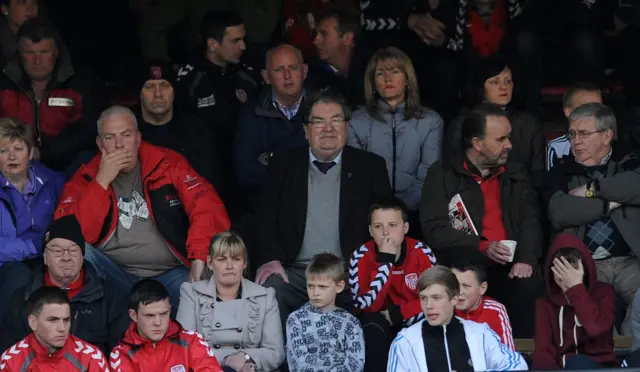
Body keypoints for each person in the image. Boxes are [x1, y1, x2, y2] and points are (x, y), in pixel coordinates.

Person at [54, 106, 230, 314]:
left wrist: (199, 256)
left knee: (209, 299)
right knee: (70, 247)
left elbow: (207, 206)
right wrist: (101, 182)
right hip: (113, 275)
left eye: (126, 135)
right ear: (100, 144)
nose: (119, 145)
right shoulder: (86, 176)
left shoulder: (166, 163)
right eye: (110, 138)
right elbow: (71, 234)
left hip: (169, 274)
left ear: (138, 138)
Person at [253, 90, 392, 328]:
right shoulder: (283, 164)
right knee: (268, 291)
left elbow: (388, 220)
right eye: (319, 121)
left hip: (348, 272)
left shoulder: (370, 166)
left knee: (375, 313)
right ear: (306, 130)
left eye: (336, 120)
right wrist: (271, 259)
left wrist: (377, 263)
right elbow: (264, 216)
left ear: (347, 126)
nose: (328, 128)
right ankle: (281, 363)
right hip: (296, 273)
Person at [420, 103, 543, 338]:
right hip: (463, 265)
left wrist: (526, 259)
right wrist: (483, 247)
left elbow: (531, 220)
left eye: (509, 137)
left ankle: (523, 358)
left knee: (530, 285)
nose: (509, 145)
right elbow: (434, 228)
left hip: (509, 267)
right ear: (477, 144)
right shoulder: (442, 174)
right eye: (501, 139)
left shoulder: (515, 172)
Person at [544, 102, 640, 336]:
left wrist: (592, 189)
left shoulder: (628, 163)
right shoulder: (561, 171)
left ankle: (631, 357)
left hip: (631, 261)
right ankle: (610, 358)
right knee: (587, 306)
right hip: (587, 263)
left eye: (584, 134)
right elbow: (559, 212)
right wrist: (609, 203)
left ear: (607, 136)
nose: (576, 141)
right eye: (572, 134)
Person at [0, 215, 129, 354]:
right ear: (45, 257)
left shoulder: (110, 297)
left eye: (73, 250)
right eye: (57, 251)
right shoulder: (23, 298)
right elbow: (10, 356)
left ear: (82, 256)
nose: (66, 257)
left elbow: (120, 353)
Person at [349, 47, 443, 236]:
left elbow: (428, 174)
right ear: (372, 83)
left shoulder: (430, 120)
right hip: (369, 215)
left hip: (415, 214)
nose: (388, 78)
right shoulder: (355, 120)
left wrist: (399, 211)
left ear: (407, 79)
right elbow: (356, 176)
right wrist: (381, 213)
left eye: (395, 71)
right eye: (380, 73)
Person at [175, 9, 261, 218]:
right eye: (235, 41)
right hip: (203, 177)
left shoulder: (249, 75)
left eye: (244, 39)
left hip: (246, 178)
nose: (243, 46)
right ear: (213, 44)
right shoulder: (188, 80)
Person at [0, 18, 107, 171]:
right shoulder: (3, 84)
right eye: (30, 52)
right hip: (11, 167)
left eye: (44, 52)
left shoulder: (80, 84)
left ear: (56, 52)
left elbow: (90, 131)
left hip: (68, 168)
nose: (37, 60)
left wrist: (44, 153)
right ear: (19, 53)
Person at [349, 196, 437, 372]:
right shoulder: (360, 255)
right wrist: (386, 262)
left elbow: (437, 298)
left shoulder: (422, 252)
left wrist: (399, 313)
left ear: (405, 228)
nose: (385, 232)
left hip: (413, 317)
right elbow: (367, 306)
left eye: (392, 225)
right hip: (378, 321)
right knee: (371, 325)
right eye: (378, 226)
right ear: (370, 230)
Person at [177, 232, 285, 372]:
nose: (229, 266)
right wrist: (228, 360)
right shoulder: (191, 293)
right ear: (209, 263)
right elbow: (183, 347)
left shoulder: (265, 296)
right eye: (221, 259)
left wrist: (245, 357)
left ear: (244, 263)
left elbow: (276, 352)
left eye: (236, 259)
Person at [386, 266, 527, 371]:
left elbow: (516, 365)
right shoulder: (405, 341)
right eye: (423, 298)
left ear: (454, 299)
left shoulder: (481, 334)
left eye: (436, 298)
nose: (428, 305)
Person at [446, 56, 545, 188]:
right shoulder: (462, 124)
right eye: (495, 82)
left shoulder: (529, 123)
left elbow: (538, 173)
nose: (503, 87)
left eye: (508, 81)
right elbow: (452, 172)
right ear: (481, 87)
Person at [0, 117, 63, 321]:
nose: (12, 156)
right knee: (18, 278)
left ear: (31, 152)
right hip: (8, 263)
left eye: (18, 149)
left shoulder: (53, 181)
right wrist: (36, 245)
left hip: (46, 256)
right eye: (3, 151)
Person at [234, 44, 310, 208]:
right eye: (279, 70)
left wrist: (272, 157)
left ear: (305, 71)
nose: (287, 76)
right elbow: (246, 174)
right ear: (266, 77)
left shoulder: (324, 108)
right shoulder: (251, 114)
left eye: (293, 67)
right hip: (269, 208)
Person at [137, 60, 224, 195]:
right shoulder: (127, 134)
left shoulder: (198, 132)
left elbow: (209, 189)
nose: (158, 94)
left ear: (174, 92)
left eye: (164, 85)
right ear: (140, 94)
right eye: (150, 86)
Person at [533, 233, 616, 370]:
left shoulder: (604, 292)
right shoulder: (544, 303)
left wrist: (575, 289)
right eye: (561, 268)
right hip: (561, 368)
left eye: (573, 268)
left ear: (584, 268)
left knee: (578, 363)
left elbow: (597, 329)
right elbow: (544, 351)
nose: (566, 274)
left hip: (599, 366)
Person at [109, 279, 224, 372]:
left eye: (164, 314)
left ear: (169, 310)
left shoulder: (192, 340)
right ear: (134, 315)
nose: (158, 322)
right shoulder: (122, 355)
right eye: (150, 316)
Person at [286, 252, 365, 372]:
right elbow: (299, 363)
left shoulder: (350, 322)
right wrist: (338, 360)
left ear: (339, 287)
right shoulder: (296, 319)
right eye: (311, 286)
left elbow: (355, 363)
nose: (315, 292)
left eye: (322, 287)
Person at [0, 286, 108, 371]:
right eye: (53, 320)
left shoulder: (91, 358)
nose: (62, 328)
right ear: (33, 322)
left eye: (66, 320)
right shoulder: (11, 362)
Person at [139, 0, 282, 63]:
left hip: (253, 62)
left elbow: (261, 32)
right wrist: (161, 68)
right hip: (202, 62)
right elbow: (154, 24)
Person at [307, 6, 366, 108]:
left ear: (347, 38)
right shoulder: (311, 75)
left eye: (324, 34)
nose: (315, 41)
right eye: (316, 34)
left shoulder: (371, 71)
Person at [450, 258, 514, 350]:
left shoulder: (495, 310)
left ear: (482, 288)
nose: (459, 291)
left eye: (466, 286)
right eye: (454, 285)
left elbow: (508, 355)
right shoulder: (444, 309)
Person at [546, 82, 603, 170]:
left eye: (598, 108)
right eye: (586, 108)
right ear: (568, 112)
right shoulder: (557, 148)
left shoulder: (608, 143)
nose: (594, 113)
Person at [0, 0, 38, 66]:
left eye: (34, 3)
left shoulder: (47, 36)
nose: (31, 8)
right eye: (22, 2)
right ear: (5, 9)